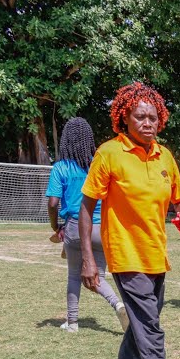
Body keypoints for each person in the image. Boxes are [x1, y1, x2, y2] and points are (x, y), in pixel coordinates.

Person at [79, 81, 180, 359]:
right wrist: (89, 259)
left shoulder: (164, 155)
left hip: (156, 252)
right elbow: (87, 207)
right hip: (125, 252)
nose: (148, 123)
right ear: (124, 119)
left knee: (146, 318)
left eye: (153, 118)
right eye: (140, 117)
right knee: (150, 323)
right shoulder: (109, 153)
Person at [45, 117, 128, 333]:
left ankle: (72, 322)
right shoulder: (99, 163)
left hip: (76, 226)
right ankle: (118, 305)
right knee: (97, 275)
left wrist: (55, 227)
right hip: (104, 228)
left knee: (74, 274)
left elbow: (53, 203)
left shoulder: (61, 167)